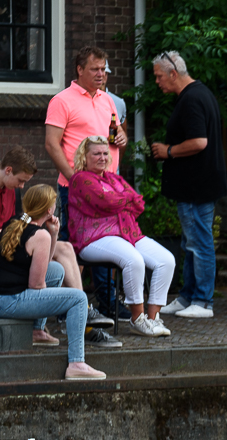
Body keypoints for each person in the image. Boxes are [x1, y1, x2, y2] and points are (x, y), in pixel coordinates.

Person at [0, 185, 104, 380]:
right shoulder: (39, 235)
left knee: (57, 270)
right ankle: (76, 363)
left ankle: (37, 330)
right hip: (0, 300)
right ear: (50, 210)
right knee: (78, 298)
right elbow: (36, 285)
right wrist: (51, 300)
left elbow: (44, 264)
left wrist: (53, 234)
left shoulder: (16, 221)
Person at [44, 46, 128, 323]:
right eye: (95, 69)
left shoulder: (108, 100)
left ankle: (107, 303)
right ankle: (66, 306)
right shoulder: (62, 101)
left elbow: (116, 134)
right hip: (76, 188)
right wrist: (74, 178)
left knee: (105, 243)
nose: (101, 74)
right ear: (79, 70)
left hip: (106, 188)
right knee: (71, 243)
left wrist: (122, 138)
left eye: (103, 69)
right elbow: (51, 144)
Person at [68, 136, 176, 338]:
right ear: (84, 156)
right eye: (96, 154)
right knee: (133, 260)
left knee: (166, 260)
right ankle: (137, 319)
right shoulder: (80, 179)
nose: (102, 157)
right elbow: (105, 201)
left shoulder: (113, 178)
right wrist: (124, 200)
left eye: (105, 153)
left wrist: (119, 200)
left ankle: (152, 318)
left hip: (127, 233)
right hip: (94, 238)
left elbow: (138, 202)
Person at [150, 51, 227, 320]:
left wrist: (168, 151)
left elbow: (199, 142)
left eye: (159, 76)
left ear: (173, 73)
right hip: (198, 184)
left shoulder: (192, 99)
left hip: (197, 186)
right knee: (190, 241)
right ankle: (187, 297)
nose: (157, 82)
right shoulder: (199, 93)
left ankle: (203, 301)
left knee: (199, 243)